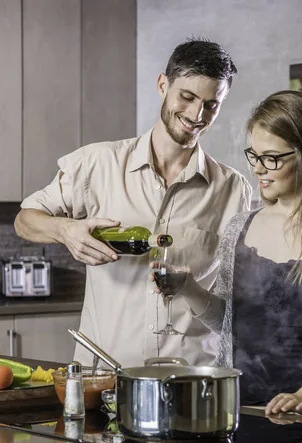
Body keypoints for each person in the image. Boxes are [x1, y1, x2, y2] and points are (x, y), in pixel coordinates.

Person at [14, 38, 252, 368]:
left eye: (211, 105)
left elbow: (231, 312)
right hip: (105, 375)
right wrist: (65, 230)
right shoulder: (97, 163)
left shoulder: (233, 190)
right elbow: (25, 219)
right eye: (187, 97)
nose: (197, 115)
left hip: (191, 382)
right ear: (162, 85)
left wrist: (190, 288)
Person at [164, 90, 302, 423]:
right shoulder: (239, 228)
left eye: (273, 158)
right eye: (254, 155)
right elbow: (229, 322)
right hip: (238, 411)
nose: (259, 169)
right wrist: (187, 288)